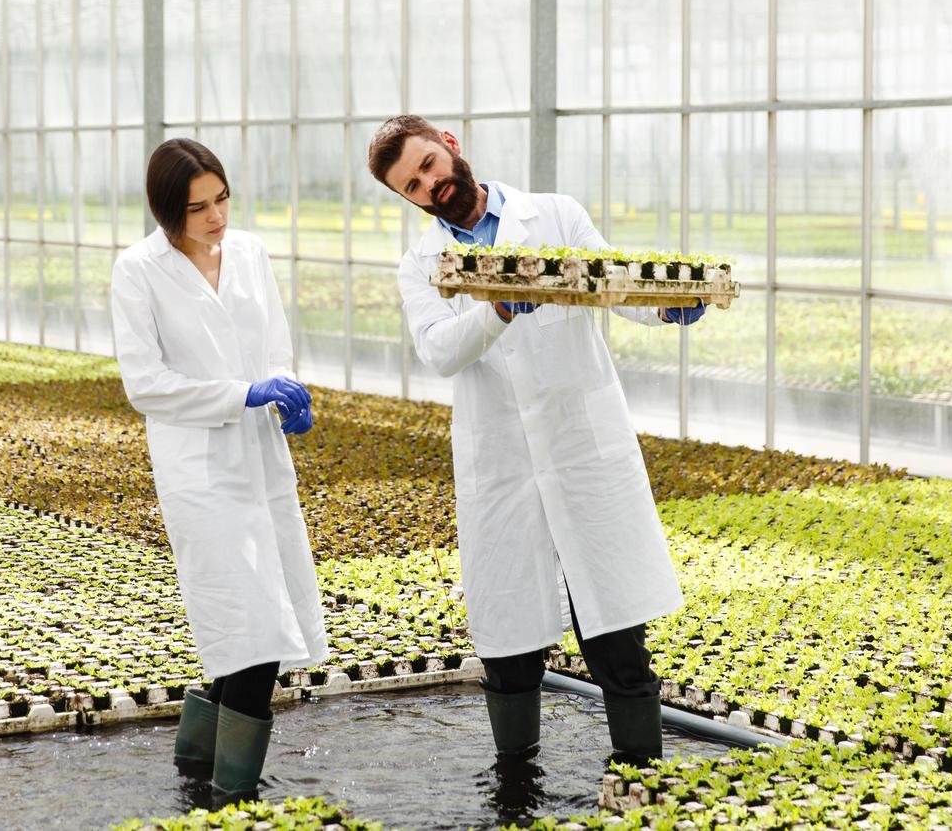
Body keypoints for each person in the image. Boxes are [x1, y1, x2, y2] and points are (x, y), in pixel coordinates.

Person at [366, 115, 704, 765]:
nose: (430, 184)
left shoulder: (553, 215)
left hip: (580, 449)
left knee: (614, 633)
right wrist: (495, 307)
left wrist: (666, 306)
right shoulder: (422, 265)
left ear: (452, 148)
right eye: (412, 184)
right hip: (502, 464)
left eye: (429, 165)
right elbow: (439, 350)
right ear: (405, 197)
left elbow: (611, 286)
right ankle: (515, 787)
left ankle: (641, 776)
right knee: (509, 642)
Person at [110, 138, 328, 797]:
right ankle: (237, 797)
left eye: (222, 198)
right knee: (252, 632)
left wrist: (285, 391)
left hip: (261, 458)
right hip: (200, 471)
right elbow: (145, 384)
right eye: (198, 207)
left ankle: (196, 772)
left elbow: (274, 346)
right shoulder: (137, 270)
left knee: (251, 626)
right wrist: (242, 394)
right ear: (166, 211)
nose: (216, 217)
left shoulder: (251, 254)